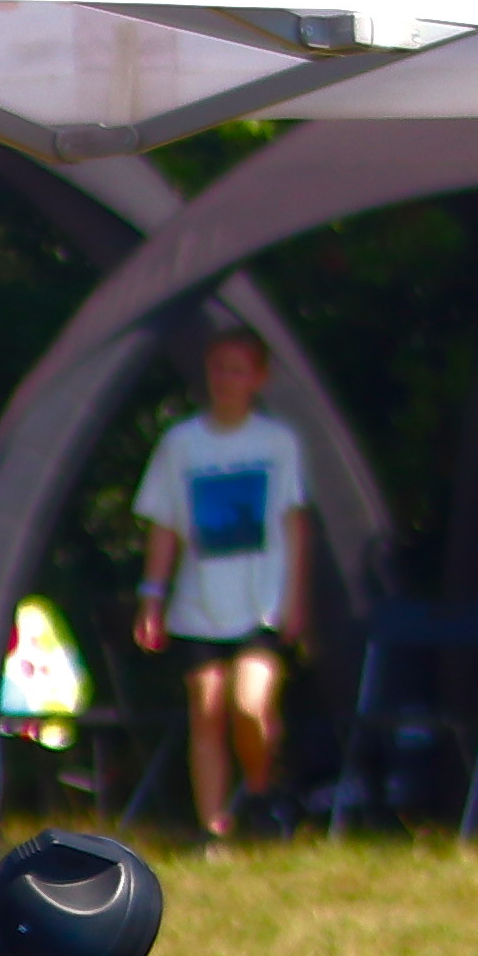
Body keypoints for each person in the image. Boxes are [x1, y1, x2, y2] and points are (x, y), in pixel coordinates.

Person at [130, 327, 311, 842]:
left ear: (257, 377)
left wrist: (296, 600)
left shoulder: (278, 444)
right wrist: (152, 597)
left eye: (237, 369)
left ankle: (258, 788)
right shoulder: (181, 444)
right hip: (197, 605)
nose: (225, 380)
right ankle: (215, 828)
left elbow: (296, 524)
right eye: (218, 368)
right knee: (206, 710)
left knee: (250, 705)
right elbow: (164, 525)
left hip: (261, 604)